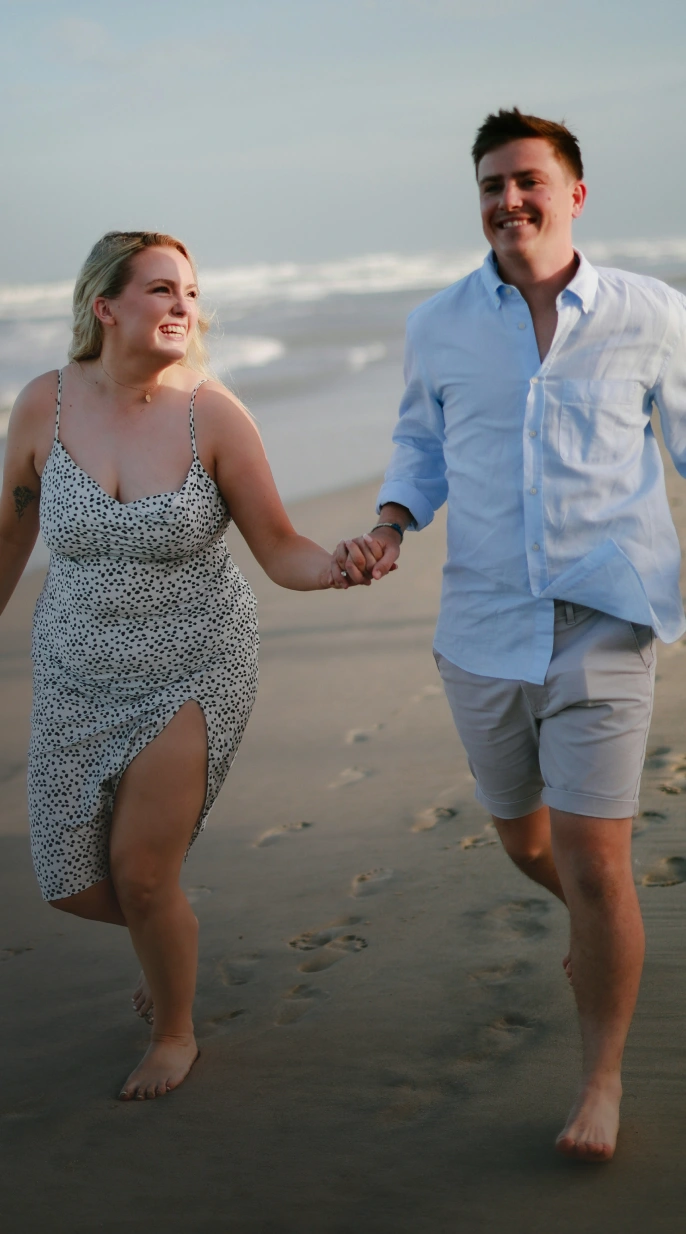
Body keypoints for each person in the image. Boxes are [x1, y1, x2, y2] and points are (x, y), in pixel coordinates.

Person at [336, 108, 686, 1161]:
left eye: (528, 180)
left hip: (607, 619)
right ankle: (600, 930)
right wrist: (390, 523)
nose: (509, 200)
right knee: (524, 841)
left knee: (594, 859)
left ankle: (600, 1081)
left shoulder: (651, 314)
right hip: (482, 625)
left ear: (573, 193)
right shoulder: (437, 323)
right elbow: (419, 442)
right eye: (492, 184)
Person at [0, 230, 353, 1101]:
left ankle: (174, 1030)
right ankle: (166, 937)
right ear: (105, 306)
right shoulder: (43, 403)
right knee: (71, 883)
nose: (183, 306)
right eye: (161, 289)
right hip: (75, 670)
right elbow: (11, 533)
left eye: (190, 292)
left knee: (143, 874)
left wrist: (337, 566)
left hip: (193, 663)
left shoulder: (213, 414)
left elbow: (280, 547)